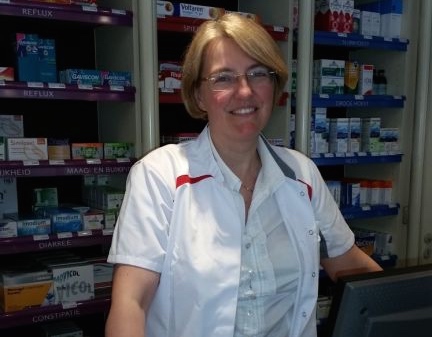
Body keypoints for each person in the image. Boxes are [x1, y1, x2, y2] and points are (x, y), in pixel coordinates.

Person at [105, 13, 382, 337]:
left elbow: (348, 264)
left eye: (258, 74)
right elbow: (130, 304)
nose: (245, 91)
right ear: (198, 95)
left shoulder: (301, 174)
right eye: (223, 77)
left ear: (275, 84)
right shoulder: (159, 176)